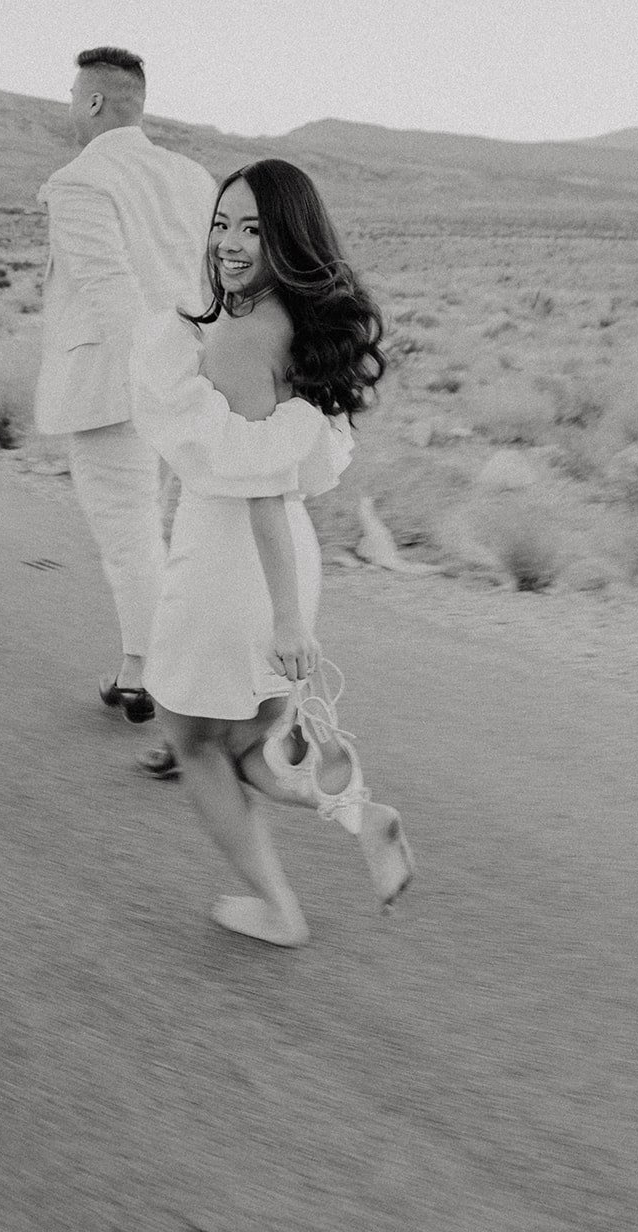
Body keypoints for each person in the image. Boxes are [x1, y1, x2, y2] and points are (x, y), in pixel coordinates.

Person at [130, 158, 414, 947]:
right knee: (247, 740)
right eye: (222, 222)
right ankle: (362, 816)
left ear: (287, 237)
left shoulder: (240, 338)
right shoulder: (293, 323)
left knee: (191, 740)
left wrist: (288, 621)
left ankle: (276, 907)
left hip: (235, 561)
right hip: (281, 552)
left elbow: (252, 487)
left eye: (252, 228)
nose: (228, 242)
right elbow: (278, 479)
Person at [35, 47, 216, 728]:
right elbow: (211, 281)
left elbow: (107, 287)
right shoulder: (191, 176)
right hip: (185, 373)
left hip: (118, 383)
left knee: (129, 535)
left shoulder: (82, 180)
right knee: (155, 531)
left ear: (91, 102)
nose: (68, 109)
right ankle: (139, 669)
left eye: (70, 96)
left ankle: (168, 687)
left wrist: (149, 376)